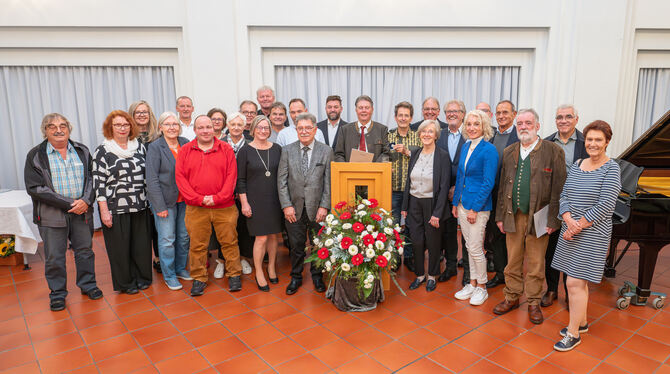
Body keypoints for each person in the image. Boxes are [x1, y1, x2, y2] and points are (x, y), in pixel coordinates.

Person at [492, 108, 567, 324]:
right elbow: (501, 188)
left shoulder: (553, 151)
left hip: (540, 216)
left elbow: (559, 189)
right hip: (512, 214)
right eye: (520, 124)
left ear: (537, 126)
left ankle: (533, 302)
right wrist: (499, 216)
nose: (523, 127)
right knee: (512, 260)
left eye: (528, 123)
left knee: (536, 263)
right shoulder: (510, 151)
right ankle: (512, 296)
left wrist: (554, 219)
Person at [551, 120, 620, 351]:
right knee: (577, 281)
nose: (593, 143)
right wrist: (568, 219)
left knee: (574, 281)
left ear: (607, 142)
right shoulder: (579, 163)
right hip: (571, 229)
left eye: (598, 140)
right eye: (589, 139)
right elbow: (564, 195)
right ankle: (581, 323)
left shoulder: (612, 169)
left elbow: (606, 205)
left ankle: (573, 334)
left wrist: (577, 226)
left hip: (592, 233)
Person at [24, 113, 102, 311]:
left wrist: (86, 200)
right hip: (52, 216)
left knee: (85, 251)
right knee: (54, 256)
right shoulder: (36, 155)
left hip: (82, 211)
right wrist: (70, 204)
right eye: (52, 126)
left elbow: (93, 178)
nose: (58, 130)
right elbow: (35, 188)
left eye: (63, 125)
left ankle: (88, 285)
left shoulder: (81, 150)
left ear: (69, 128)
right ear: (45, 131)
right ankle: (57, 293)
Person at [175, 115, 242, 295]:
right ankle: (199, 278)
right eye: (201, 127)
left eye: (208, 127)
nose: (205, 131)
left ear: (214, 128)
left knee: (229, 242)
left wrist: (218, 198)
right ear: (195, 130)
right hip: (196, 208)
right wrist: (199, 199)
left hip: (224, 207)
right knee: (197, 245)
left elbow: (231, 177)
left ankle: (234, 274)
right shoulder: (185, 150)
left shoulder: (226, 149)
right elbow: (180, 179)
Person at [93, 110, 152, 294]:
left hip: (141, 205)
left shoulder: (139, 146)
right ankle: (126, 283)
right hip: (115, 208)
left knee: (141, 246)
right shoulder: (103, 150)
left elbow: (147, 176)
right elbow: (98, 183)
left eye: (126, 124)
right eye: (118, 125)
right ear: (110, 128)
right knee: (120, 248)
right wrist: (103, 211)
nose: (122, 128)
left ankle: (143, 278)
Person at [278, 112, 332, 295]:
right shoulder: (287, 150)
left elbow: (328, 182)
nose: (304, 131)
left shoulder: (326, 151)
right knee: (296, 246)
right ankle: (296, 277)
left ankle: (317, 276)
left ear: (315, 129)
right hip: (294, 208)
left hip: (318, 209)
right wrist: (286, 206)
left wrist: (324, 206)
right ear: (296, 130)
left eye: (308, 128)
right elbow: (281, 181)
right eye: (300, 128)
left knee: (319, 245)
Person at [542, 104, 589, 307]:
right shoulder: (546, 142)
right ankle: (551, 289)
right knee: (550, 250)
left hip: (576, 205)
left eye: (568, 117)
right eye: (559, 117)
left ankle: (571, 293)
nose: (563, 120)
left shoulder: (586, 143)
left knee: (572, 250)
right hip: (551, 204)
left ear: (576, 120)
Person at [451, 110, 498, 305]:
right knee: (468, 247)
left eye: (476, 124)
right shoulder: (466, 146)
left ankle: (482, 287)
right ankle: (471, 284)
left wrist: (474, 209)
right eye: (468, 124)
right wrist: (455, 203)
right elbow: (461, 176)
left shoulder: (489, 150)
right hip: (462, 203)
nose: (471, 128)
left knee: (476, 248)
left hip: (477, 208)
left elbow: (488, 182)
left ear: (484, 127)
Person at [402, 120, 451, 292]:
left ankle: (432, 275)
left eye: (430, 131)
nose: (427, 134)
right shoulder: (415, 153)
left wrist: (437, 213)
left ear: (436, 135)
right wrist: (405, 206)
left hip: (432, 203)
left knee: (433, 241)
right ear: (419, 134)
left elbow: (445, 187)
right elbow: (408, 180)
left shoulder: (442, 156)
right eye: (424, 131)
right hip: (414, 201)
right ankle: (420, 275)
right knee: (416, 239)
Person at [145, 112, 192, 291]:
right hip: (165, 201)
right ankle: (169, 275)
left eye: (175, 124)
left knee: (183, 237)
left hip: (185, 200)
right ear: (161, 127)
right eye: (168, 124)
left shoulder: (186, 143)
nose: (172, 127)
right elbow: (152, 179)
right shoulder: (156, 147)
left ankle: (180, 269)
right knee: (167, 239)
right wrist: (159, 206)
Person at [237, 115, 283, 291]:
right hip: (255, 201)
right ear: (253, 129)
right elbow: (240, 180)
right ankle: (259, 272)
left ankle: (271, 266)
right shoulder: (245, 151)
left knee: (273, 236)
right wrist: (244, 203)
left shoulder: (277, 149)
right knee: (261, 237)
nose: (263, 131)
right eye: (260, 127)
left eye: (266, 128)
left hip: (274, 199)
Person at [485, 100, 520, 289]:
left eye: (505, 112)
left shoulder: (519, 136)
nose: (501, 116)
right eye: (498, 113)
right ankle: (500, 274)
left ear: (514, 114)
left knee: (512, 237)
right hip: (492, 195)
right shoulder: (490, 135)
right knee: (495, 236)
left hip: (511, 195)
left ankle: (513, 275)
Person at [214, 112, 254, 278]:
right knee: (224, 229)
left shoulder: (251, 144)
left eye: (240, 124)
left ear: (245, 126)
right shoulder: (218, 144)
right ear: (227, 126)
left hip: (246, 194)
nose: (236, 127)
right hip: (225, 194)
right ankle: (222, 261)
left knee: (244, 227)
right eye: (233, 124)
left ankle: (244, 258)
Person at [435, 100, 466, 284]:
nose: (452, 114)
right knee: (446, 231)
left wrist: (458, 188)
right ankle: (451, 266)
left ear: (463, 114)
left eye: (455, 111)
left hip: (464, 191)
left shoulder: (471, 134)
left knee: (465, 232)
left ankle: (468, 271)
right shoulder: (440, 134)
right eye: (448, 111)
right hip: (441, 191)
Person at [388, 102, 421, 272]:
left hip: (413, 190)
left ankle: (408, 257)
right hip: (392, 189)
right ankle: (393, 258)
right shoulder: (387, 136)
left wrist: (408, 152)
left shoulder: (418, 136)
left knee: (410, 225)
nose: (403, 118)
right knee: (392, 225)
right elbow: (381, 158)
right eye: (400, 115)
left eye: (406, 115)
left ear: (411, 118)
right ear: (395, 117)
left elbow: (424, 158)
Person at [128, 100, 161, 274]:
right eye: (138, 112)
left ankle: (158, 258)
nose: (142, 115)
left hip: (155, 187)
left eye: (145, 112)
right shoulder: (127, 138)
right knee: (141, 228)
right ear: (132, 116)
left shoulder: (157, 136)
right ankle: (141, 262)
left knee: (157, 226)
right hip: (135, 188)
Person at [334, 95, 390, 162]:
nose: (364, 110)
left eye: (367, 108)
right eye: (360, 108)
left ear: (372, 110)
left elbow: (386, 154)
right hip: (350, 171)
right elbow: (338, 154)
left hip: (374, 171)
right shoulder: (345, 130)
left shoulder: (382, 130)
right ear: (356, 110)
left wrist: (375, 167)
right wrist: (346, 168)